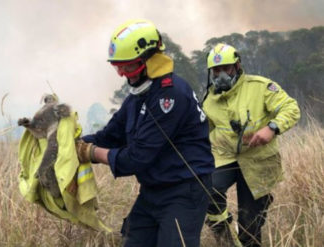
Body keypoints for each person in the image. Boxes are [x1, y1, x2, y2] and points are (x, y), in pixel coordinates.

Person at [75, 19, 215, 247]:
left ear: (150, 59)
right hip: (152, 191)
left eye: (128, 66)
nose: (122, 74)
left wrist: (91, 153)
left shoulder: (169, 96)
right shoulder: (137, 96)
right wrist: (72, 144)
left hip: (184, 190)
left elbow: (137, 157)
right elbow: (110, 135)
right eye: (117, 67)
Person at [202, 43, 301, 247]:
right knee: (207, 189)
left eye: (225, 69)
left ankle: (248, 234)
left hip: (258, 160)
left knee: (250, 225)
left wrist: (272, 128)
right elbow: (203, 133)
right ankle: (225, 240)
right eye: (216, 70)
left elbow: (291, 108)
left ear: (237, 66)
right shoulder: (209, 101)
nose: (220, 75)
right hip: (225, 157)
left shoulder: (260, 87)